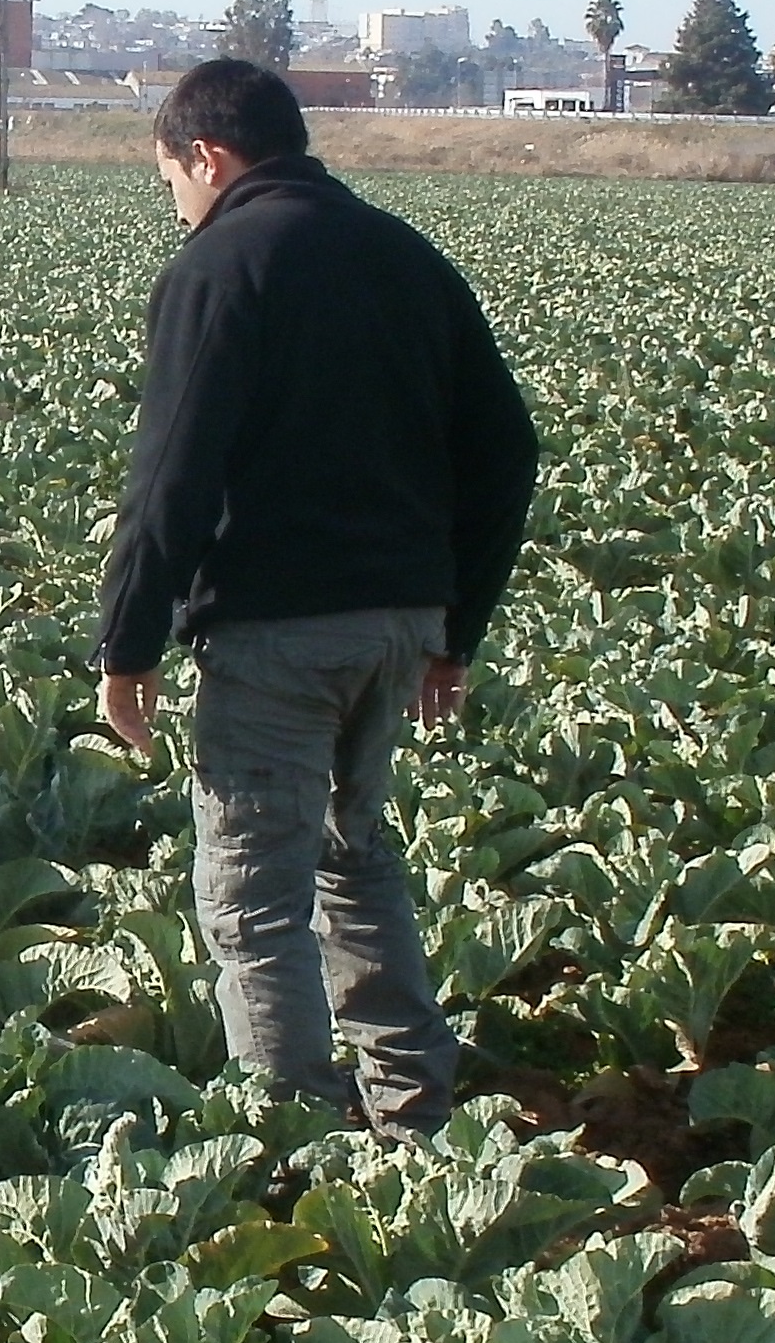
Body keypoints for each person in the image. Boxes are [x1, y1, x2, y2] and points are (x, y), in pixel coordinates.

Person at [95, 57, 537, 1133]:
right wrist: (452, 630)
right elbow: (507, 450)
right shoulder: (407, 257)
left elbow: (173, 476)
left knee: (252, 899)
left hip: (274, 633)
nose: (178, 203)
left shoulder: (220, 267)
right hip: (399, 624)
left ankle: (292, 1145)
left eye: (172, 180)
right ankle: (409, 1106)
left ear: (208, 156)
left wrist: (128, 641)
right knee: (355, 859)